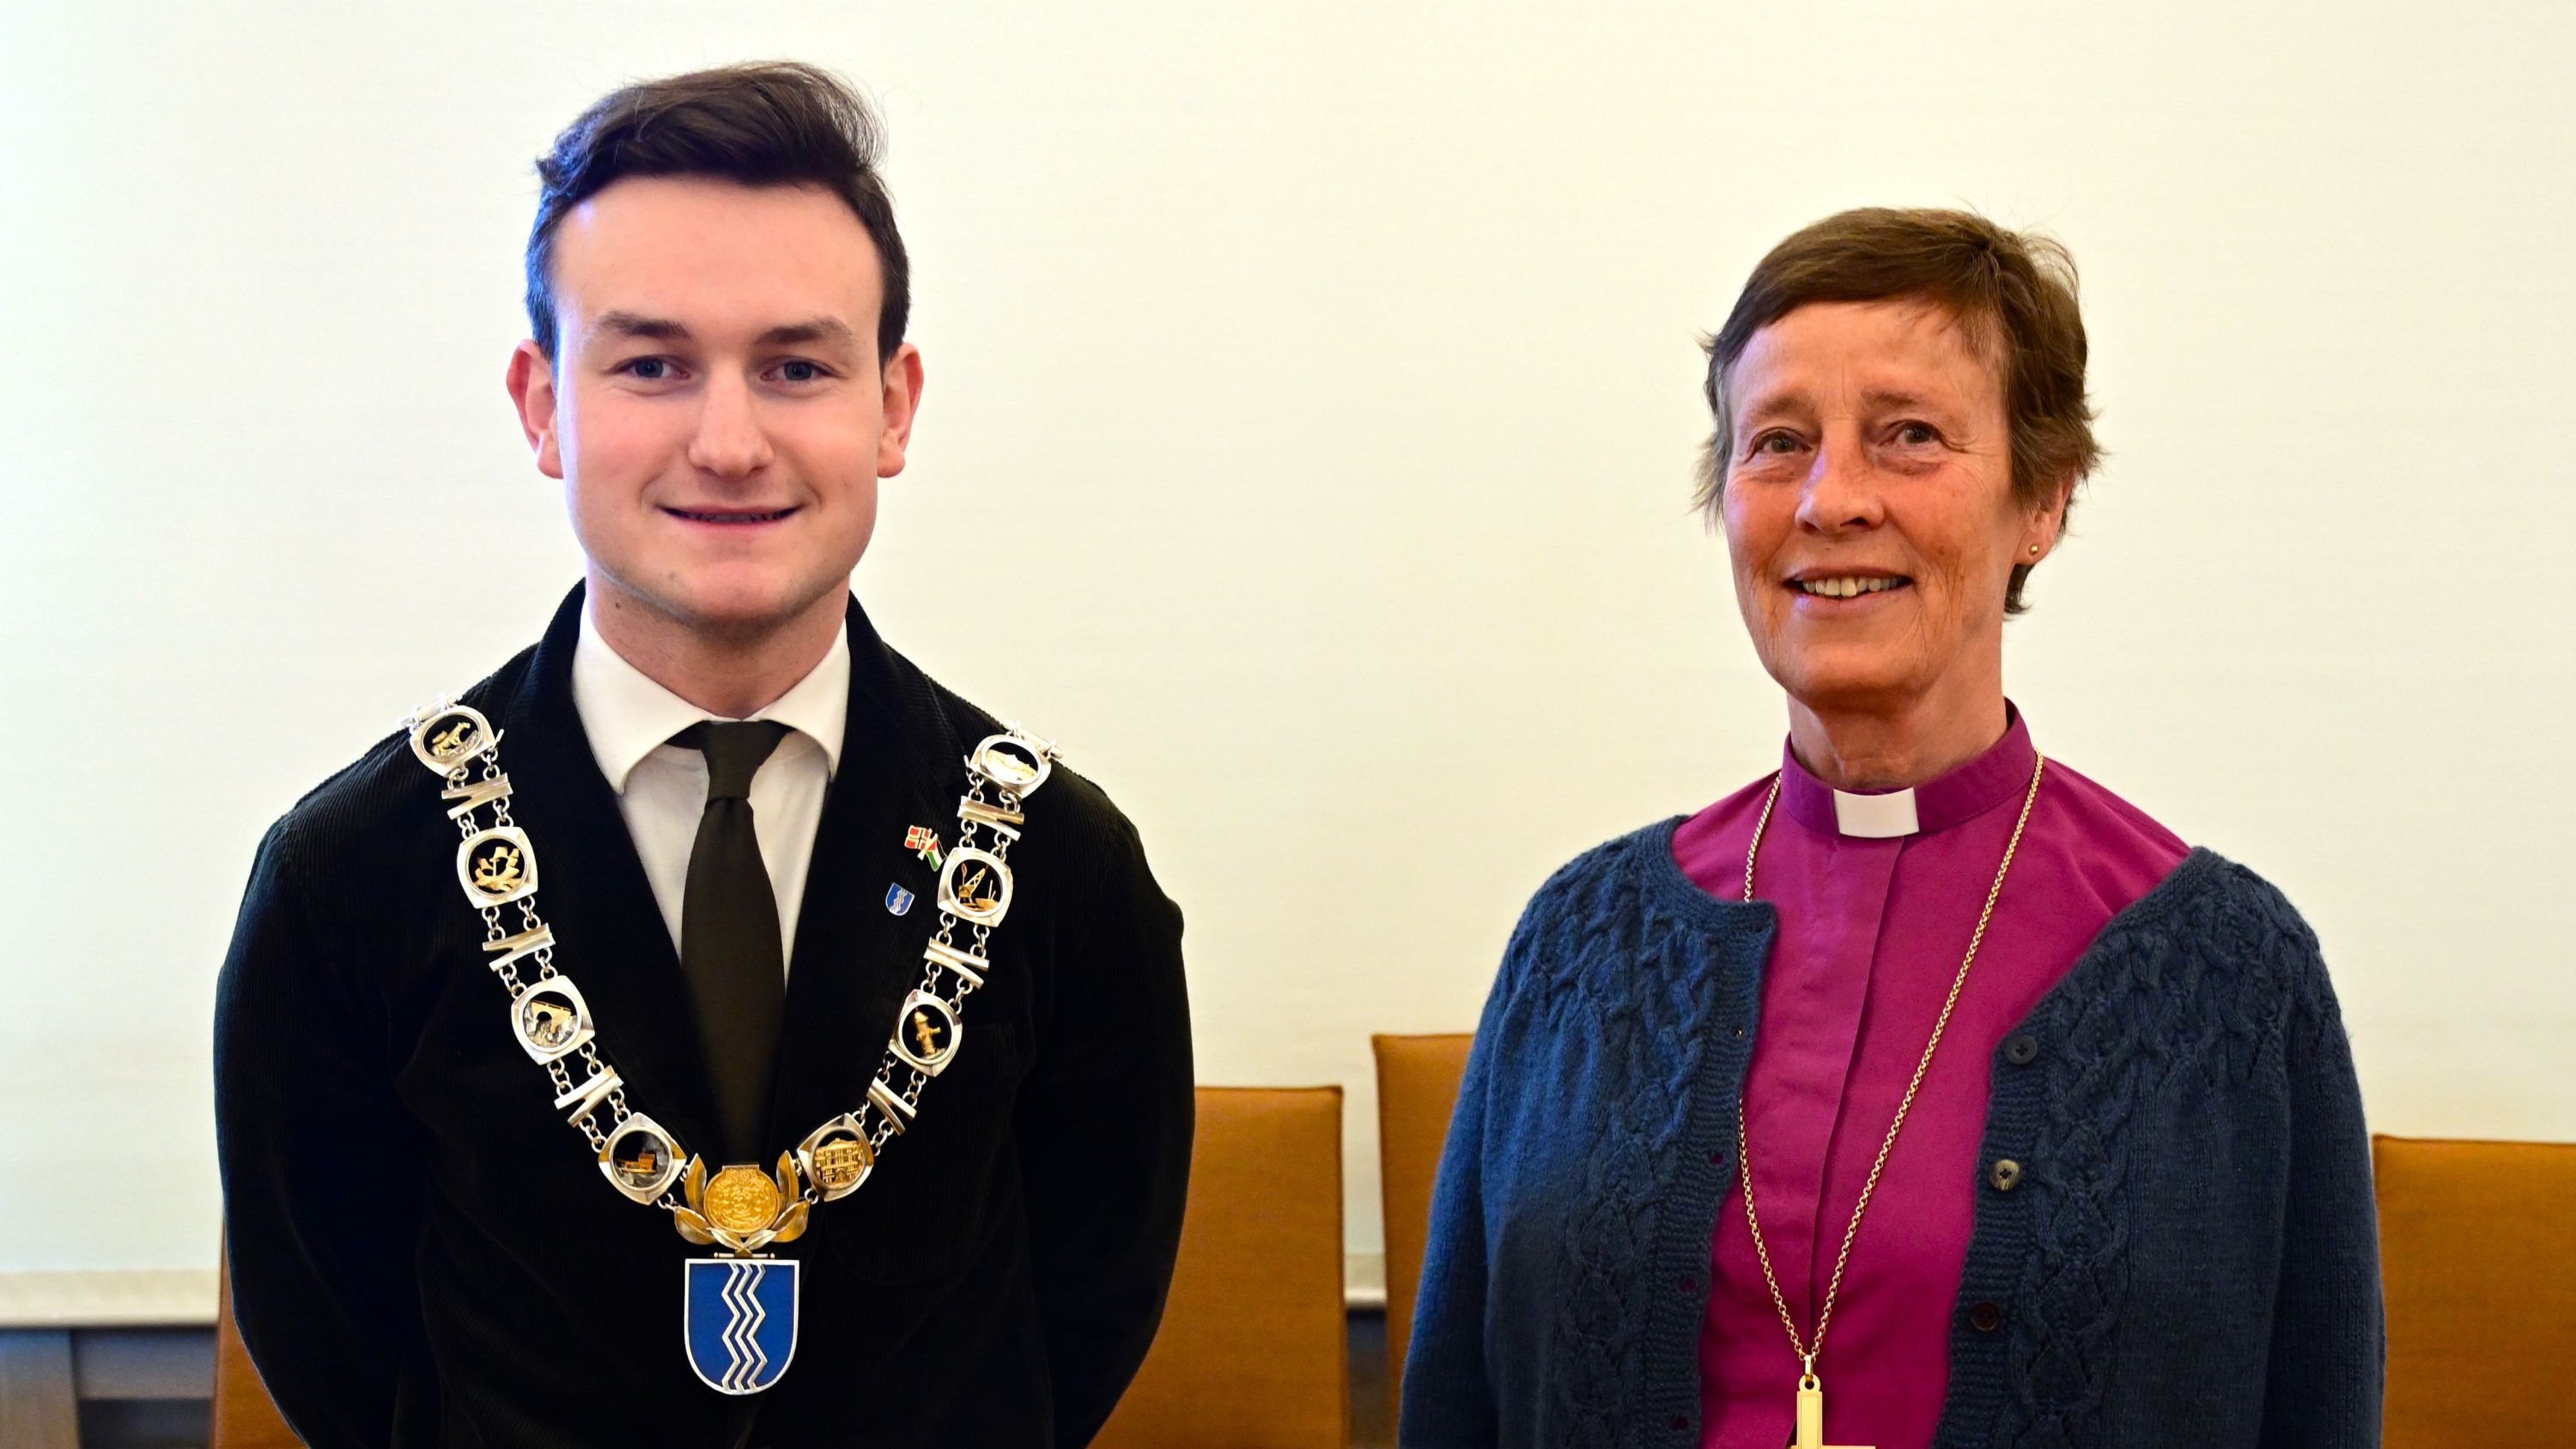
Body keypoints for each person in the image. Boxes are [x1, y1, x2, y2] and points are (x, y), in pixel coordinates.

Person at [214, 64, 1193, 1447]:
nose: (728, 443)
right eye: (652, 365)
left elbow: (1083, 1315)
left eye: (796, 366)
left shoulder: (1061, 870)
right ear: (543, 403)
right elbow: (336, 1342)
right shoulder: (354, 874)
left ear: (893, 406)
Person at [1400, 209, 2380, 1446]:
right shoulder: (1581, 942)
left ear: (2043, 500)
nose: (1833, 498)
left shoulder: (2228, 971)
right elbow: (1454, 1408)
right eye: (1779, 443)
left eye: (1908, 436)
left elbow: (2321, 1411)